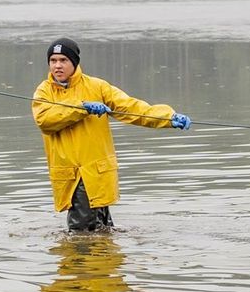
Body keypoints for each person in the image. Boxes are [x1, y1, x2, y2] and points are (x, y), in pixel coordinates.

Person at [32, 36, 192, 231]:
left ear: (74, 62)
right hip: (71, 175)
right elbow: (45, 121)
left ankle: (101, 261)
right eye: (53, 61)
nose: (57, 66)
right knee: (90, 231)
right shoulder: (44, 92)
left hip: (96, 172)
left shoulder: (97, 87)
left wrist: (168, 118)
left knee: (89, 235)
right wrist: (82, 108)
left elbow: (131, 108)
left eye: (63, 60)